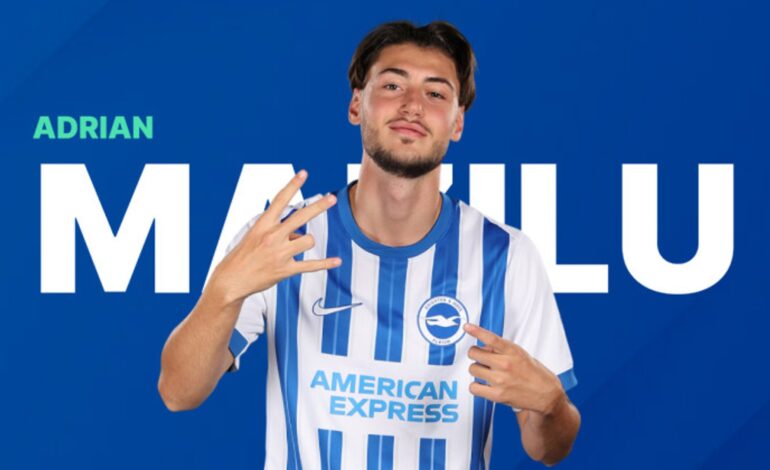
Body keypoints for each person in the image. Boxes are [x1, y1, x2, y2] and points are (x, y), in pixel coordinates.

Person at [158, 20, 581, 469]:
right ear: (356, 105)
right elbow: (178, 393)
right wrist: (223, 291)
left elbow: (549, 449)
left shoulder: (506, 256)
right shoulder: (283, 238)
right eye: (393, 85)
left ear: (457, 122)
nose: (413, 105)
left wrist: (552, 404)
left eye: (436, 93)